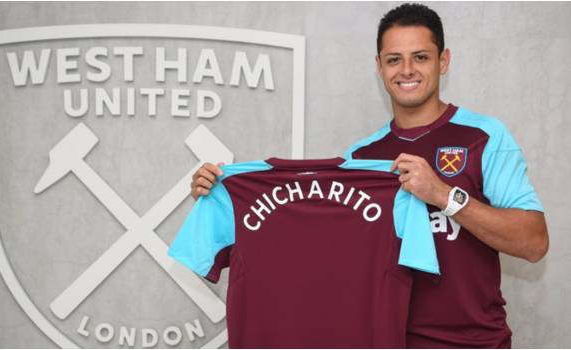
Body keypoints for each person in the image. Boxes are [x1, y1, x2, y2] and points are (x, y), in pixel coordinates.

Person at [189, 3, 549, 348]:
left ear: (444, 61)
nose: (406, 70)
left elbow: (534, 244)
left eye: (420, 57)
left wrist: (444, 195)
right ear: (379, 66)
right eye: (394, 59)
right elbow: (313, 247)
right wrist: (220, 194)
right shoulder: (360, 161)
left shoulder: (484, 137)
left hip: (471, 342)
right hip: (378, 341)